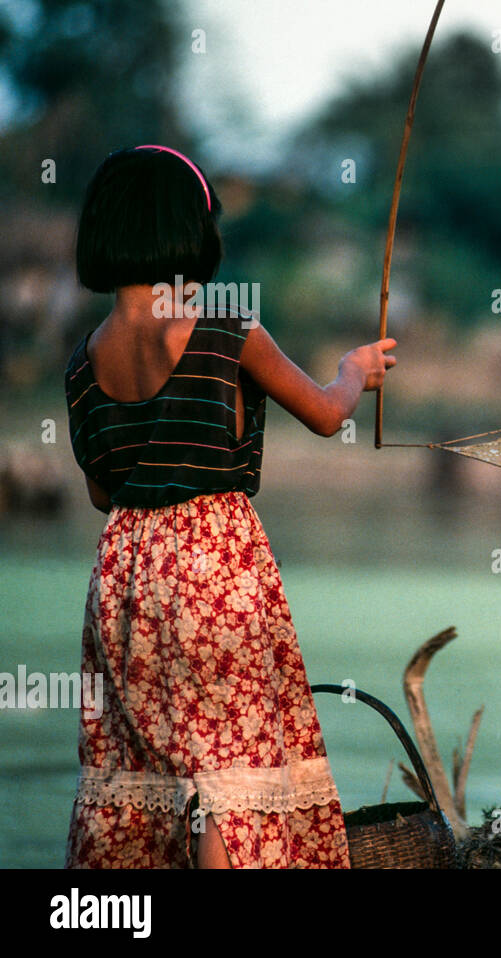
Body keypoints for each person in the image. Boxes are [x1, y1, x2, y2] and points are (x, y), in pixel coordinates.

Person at [63, 145, 396, 868]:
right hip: (215, 566)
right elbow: (324, 415)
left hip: (124, 574)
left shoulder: (85, 359)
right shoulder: (225, 328)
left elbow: (101, 492)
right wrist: (354, 371)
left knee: (141, 776)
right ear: (191, 231)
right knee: (231, 774)